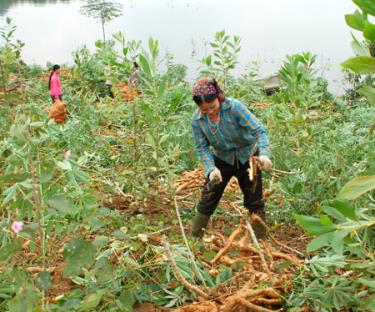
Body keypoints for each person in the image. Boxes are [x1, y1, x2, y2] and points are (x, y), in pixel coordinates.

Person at [190, 77, 272, 237]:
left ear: (218, 97)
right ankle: (194, 239)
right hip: (222, 159)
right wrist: (210, 169)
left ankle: (262, 241)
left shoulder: (235, 108)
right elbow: (201, 147)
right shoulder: (197, 120)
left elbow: (260, 130)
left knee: (254, 201)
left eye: (213, 107)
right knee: (208, 198)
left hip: (248, 156)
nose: (211, 112)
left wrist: (264, 155)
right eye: (205, 110)